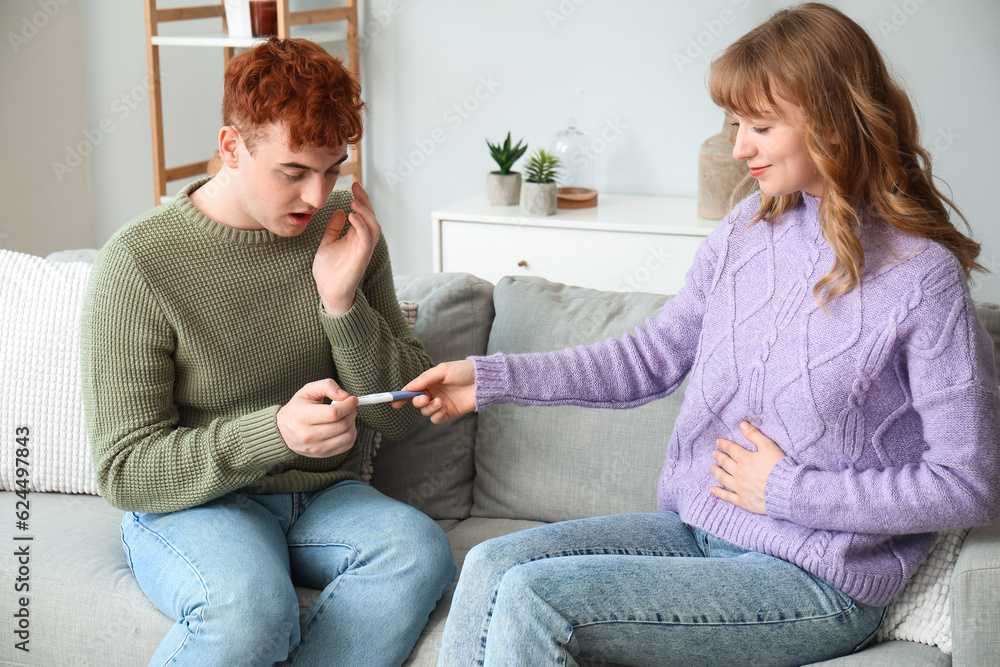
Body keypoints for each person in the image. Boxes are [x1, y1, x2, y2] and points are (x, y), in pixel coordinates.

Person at [397, 4, 1000, 666]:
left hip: (818, 579)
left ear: (832, 126)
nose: (739, 147)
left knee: (538, 596)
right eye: (736, 123)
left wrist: (788, 491)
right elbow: (650, 357)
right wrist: (489, 378)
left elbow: (969, 481)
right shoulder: (750, 227)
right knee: (489, 564)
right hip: (701, 530)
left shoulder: (923, 279)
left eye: (761, 126)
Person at [80, 38, 455, 666]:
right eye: (294, 171)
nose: (317, 194)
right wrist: (277, 433)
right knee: (249, 607)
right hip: (195, 504)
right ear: (232, 147)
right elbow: (124, 470)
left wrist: (341, 304)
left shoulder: (341, 230)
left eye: (333, 168)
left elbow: (400, 413)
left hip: (325, 499)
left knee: (419, 552)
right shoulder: (139, 263)